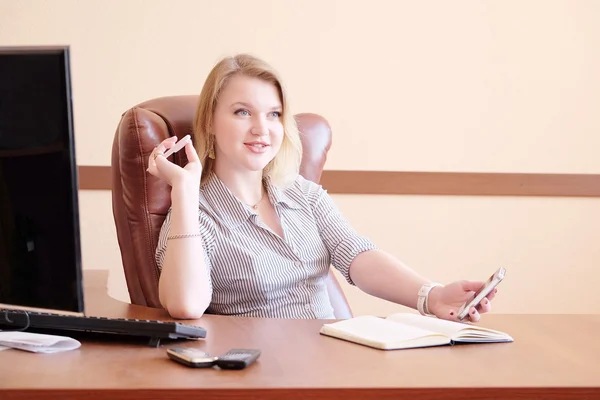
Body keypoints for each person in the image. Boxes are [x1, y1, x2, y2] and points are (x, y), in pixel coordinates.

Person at [147, 54, 497, 321]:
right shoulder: (193, 213)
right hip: (258, 376)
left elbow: (358, 256)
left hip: (332, 365)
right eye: (242, 112)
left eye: (273, 115)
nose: (261, 129)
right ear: (209, 119)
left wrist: (432, 296)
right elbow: (185, 304)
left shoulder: (301, 193)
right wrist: (184, 189)